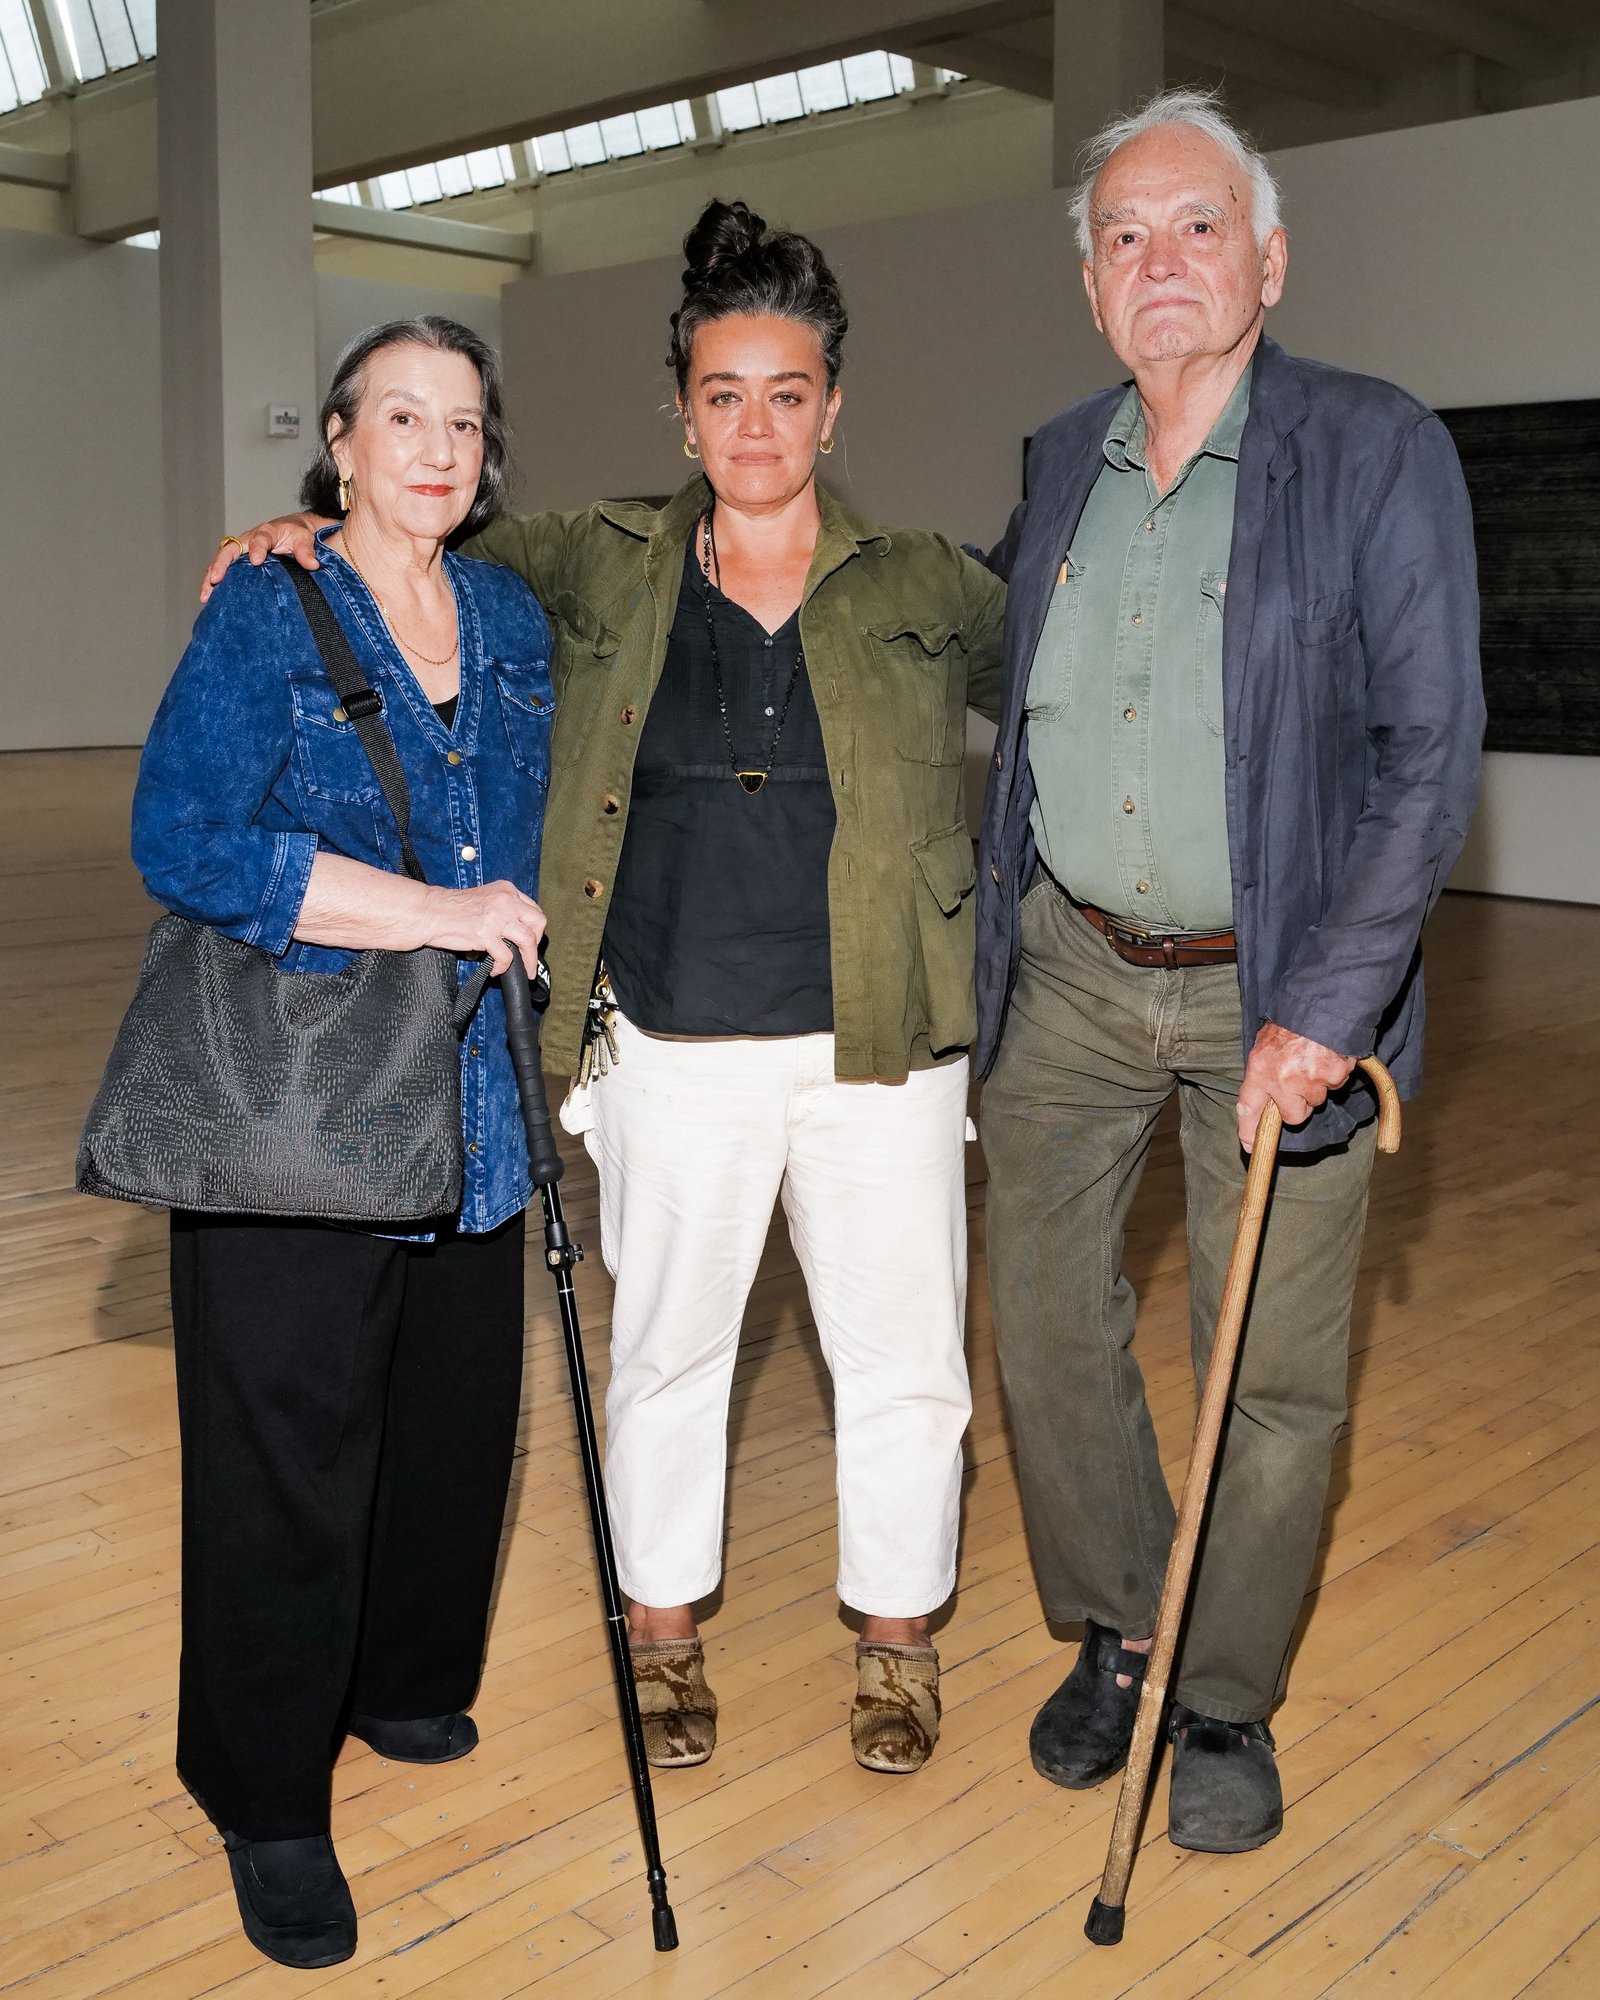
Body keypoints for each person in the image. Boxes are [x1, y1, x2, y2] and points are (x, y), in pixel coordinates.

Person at [206, 201, 1007, 1778]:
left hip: (884, 1053)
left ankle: (899, 1648)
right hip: (665, 1047)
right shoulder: (595, 560)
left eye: (788, 392)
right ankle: (663, 1641)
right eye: (724, 392)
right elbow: (404, 543)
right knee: (666, 1355)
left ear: (833, 406)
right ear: (684, 409)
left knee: (906, 1362)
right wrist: (297, 528)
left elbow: (1060, 705)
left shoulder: (932, 584)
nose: (756, 424)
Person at [974, 88, 1484, 1853]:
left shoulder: (1371, 446)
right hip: (1074, 964)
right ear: (1093, 286)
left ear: (1269, 256)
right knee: (1042, 1324)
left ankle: (1222, 1698)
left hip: (1283, 986)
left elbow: (1428, 753)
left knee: (1269, 1371)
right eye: (1123, 235)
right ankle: (1124, 1621)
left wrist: (1329, 1009)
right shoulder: (1059, 465)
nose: (1158, 260)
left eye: (1196, 226)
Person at [138, 316, 552, 1967]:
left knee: (451, 1418)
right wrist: (433, 912)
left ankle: (400, 1681)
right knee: (285, 1449)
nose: (435, 448)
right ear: (339, 437)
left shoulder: (515, 609)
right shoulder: (265, 603)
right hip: (298, 1094)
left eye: (462, 422)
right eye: (402, 416)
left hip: (473, 1093)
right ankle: (265, 1796)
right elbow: (182, 836)